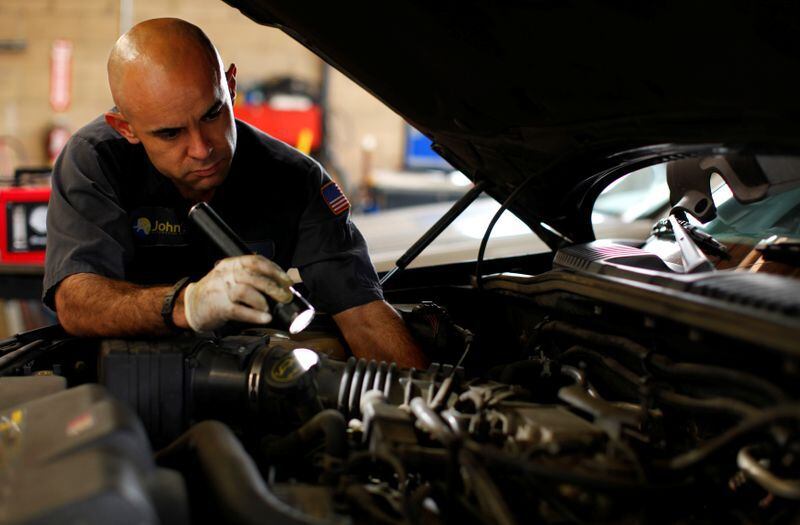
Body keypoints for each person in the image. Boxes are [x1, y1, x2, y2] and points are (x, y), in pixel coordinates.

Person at [43, 18, 427, 369]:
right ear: (125, 127)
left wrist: (420, 406)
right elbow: (76, 301)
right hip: (130, 392)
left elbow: (362, 314)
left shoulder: (296, 179)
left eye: (212, 114)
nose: (201, 148)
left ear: (230, 86)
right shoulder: (93, 162)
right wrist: (188, 304)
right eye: (170, 133)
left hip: (257, 389)